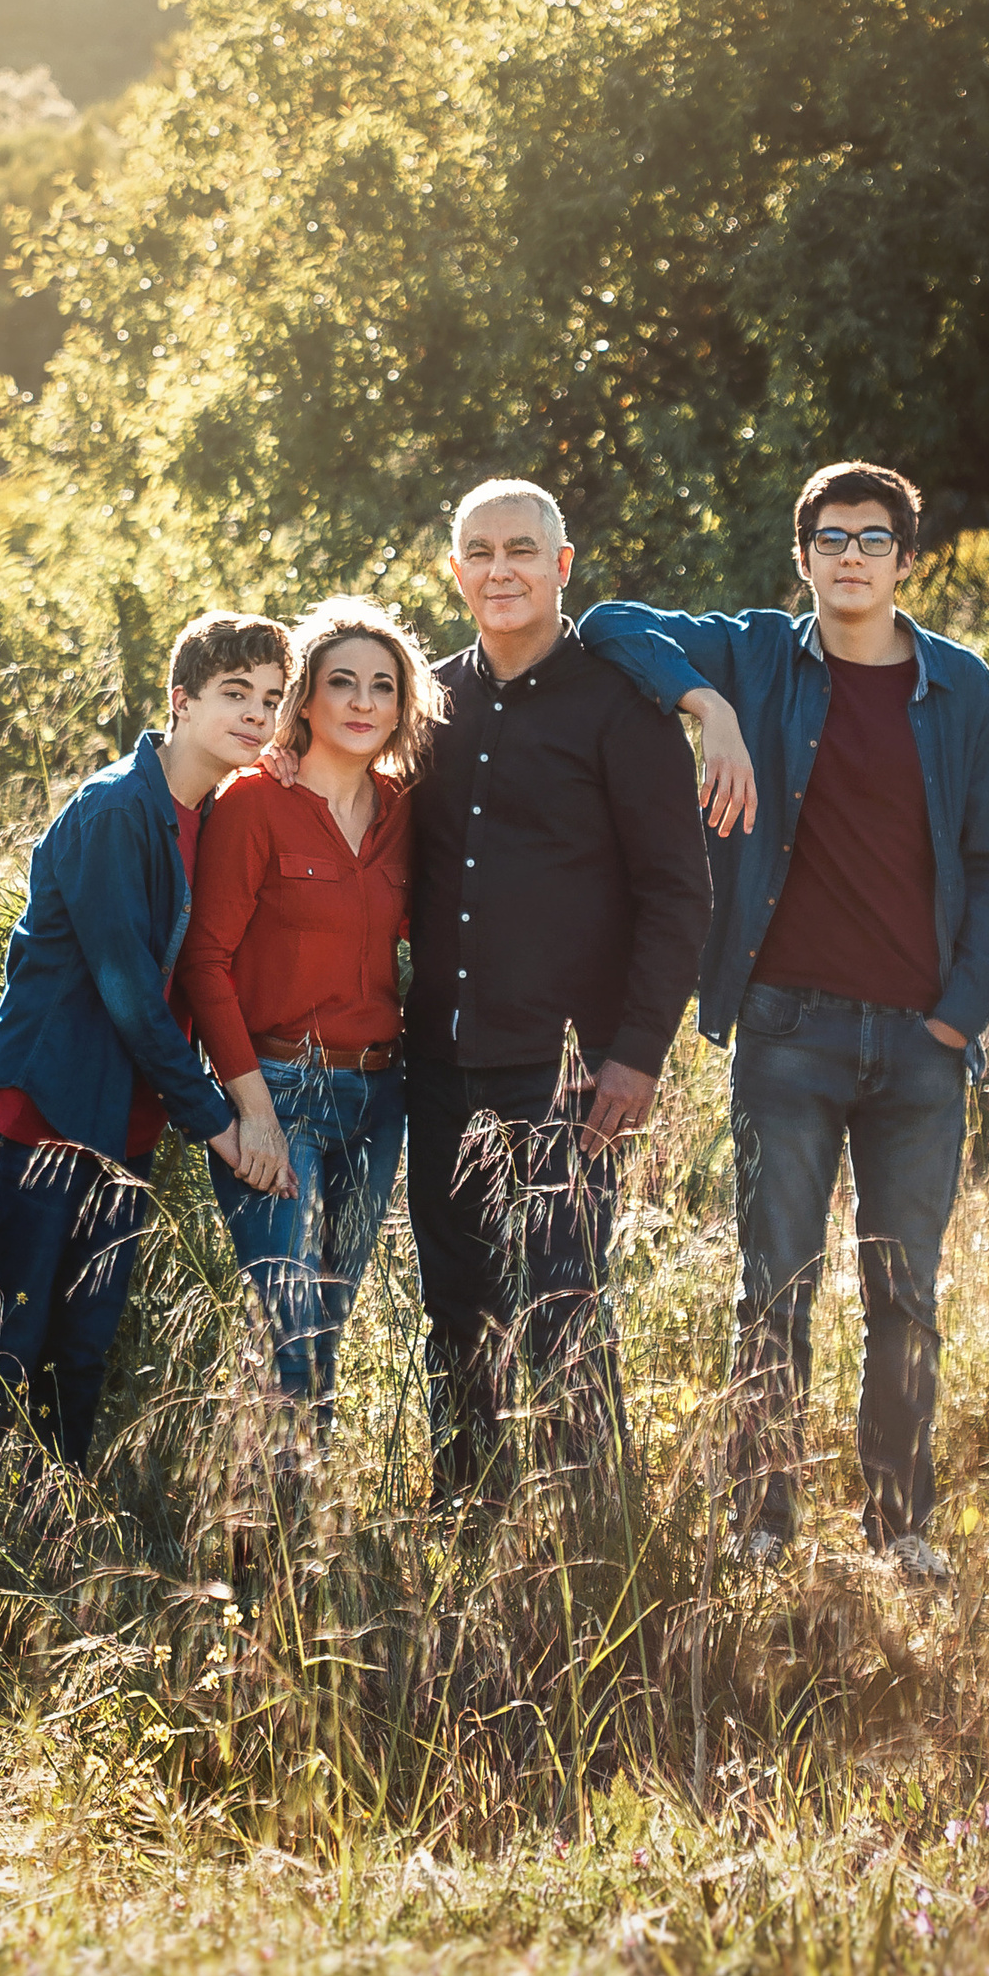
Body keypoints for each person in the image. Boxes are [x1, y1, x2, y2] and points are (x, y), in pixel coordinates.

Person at [582, 461, 989, 1584]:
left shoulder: (959, 686)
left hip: (920, 1042)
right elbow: (605, 621)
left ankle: (898, 1527)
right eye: (830, 539)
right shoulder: (759, 656)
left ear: (905, 559)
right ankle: (762, 1524)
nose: (851, 558)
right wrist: (710, 704)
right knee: (773, 1288)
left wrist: (958, 1020)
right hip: (787, 1033)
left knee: (905, 1294)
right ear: (803, 557)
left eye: (873, 540)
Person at [0, 613, 297, 1531]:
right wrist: (218, 1119)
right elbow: (130, 992)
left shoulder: (211, 812)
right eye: (234, 694)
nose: (256, 716)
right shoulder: (115, 810)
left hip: (121, 1125)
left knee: (86, 1344)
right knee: (13, 1336)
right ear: (182, 700)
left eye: (272, 700)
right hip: (42, 1111)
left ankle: (51, 1531)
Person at [404, 478, 713, 1504]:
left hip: (568, 1075)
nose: (501, 569)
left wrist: (636, 1054)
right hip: (441, 1063)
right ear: (455, 571)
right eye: (480, 551)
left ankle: (594, 1530)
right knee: (457, 1309)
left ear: (561, 566)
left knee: (564, 1309)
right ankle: (470, 1517)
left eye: (522, 551)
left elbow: (678, 894)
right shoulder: (426, 702)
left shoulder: (620, 710)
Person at [179, 598, 441, 1449]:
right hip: (279, 1091)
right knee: (284, 1337)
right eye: (342, 683)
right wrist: (248, 1105)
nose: (363, 702)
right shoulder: (254, 802)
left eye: (383, 686)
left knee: (330, 1328)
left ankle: (309, 1531)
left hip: (377, 1097)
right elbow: (204, 961)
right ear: (306, 699)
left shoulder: (405, 811)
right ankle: (264, 1545)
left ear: (403, 705)